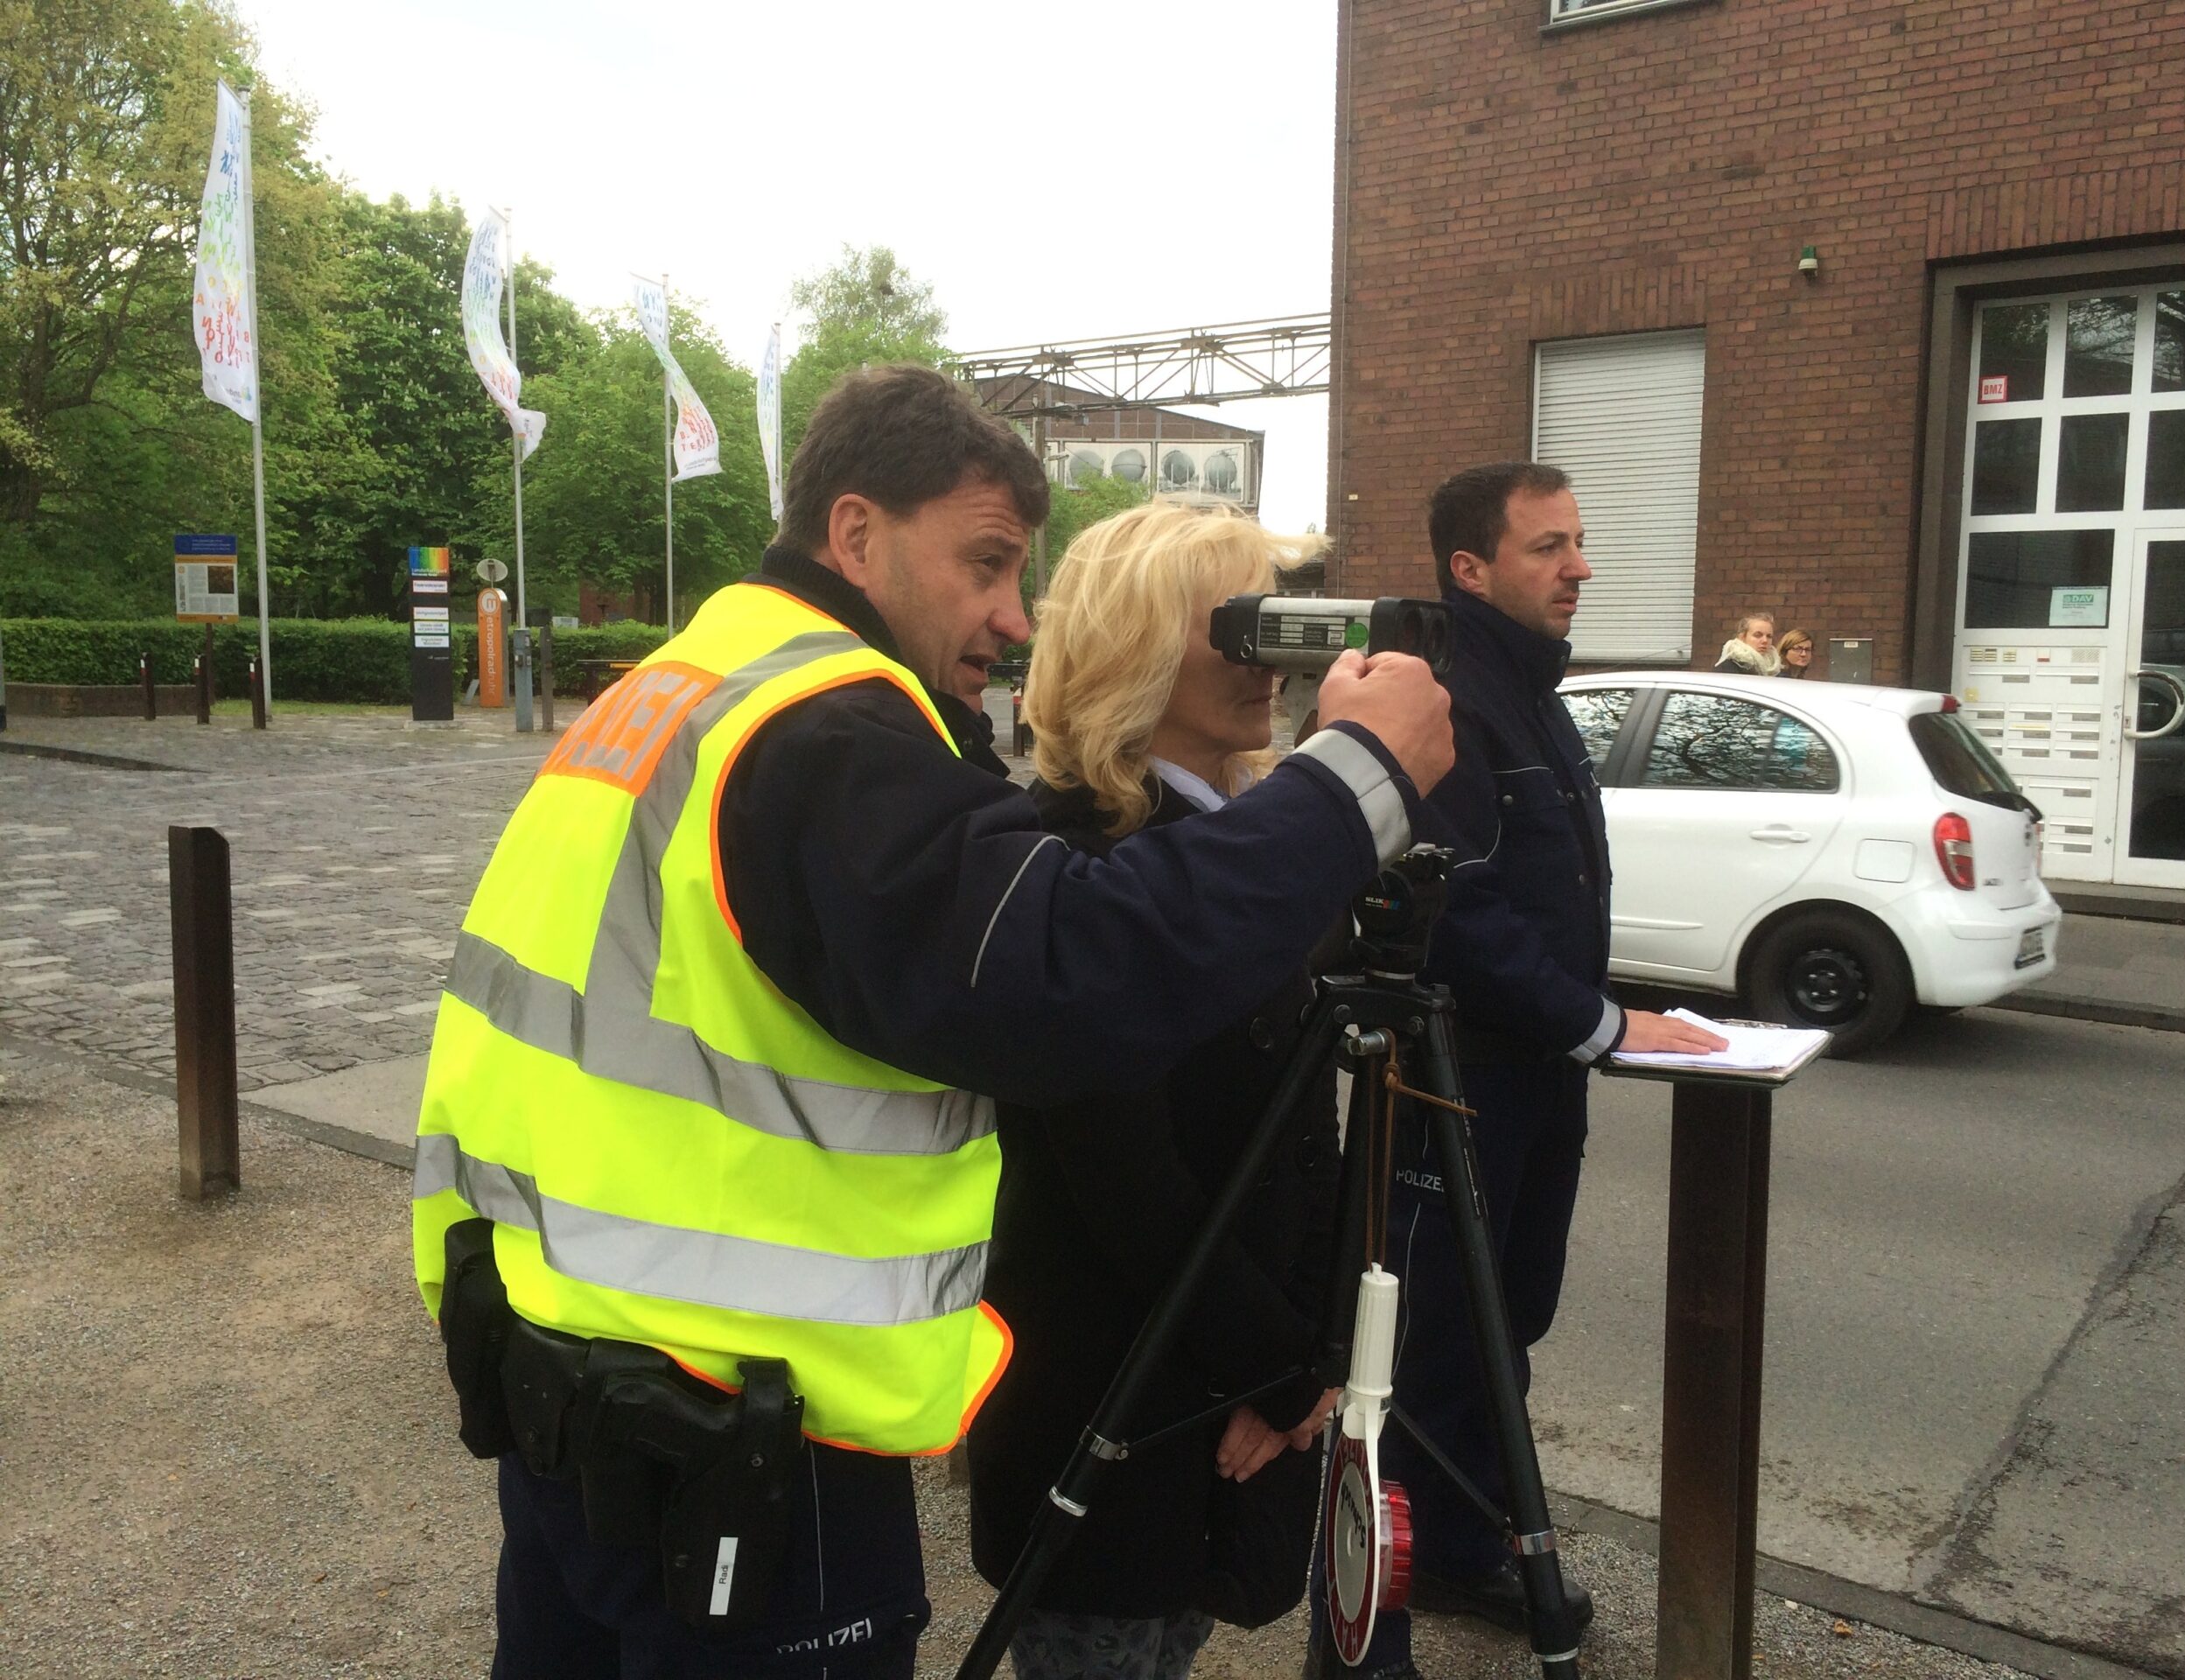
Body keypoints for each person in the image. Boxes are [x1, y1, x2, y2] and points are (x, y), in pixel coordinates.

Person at [410, 364, 1454, 1680]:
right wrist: (1350, 784)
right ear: (857, 533)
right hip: (736, 1433)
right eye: (986, 565)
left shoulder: (673, 692)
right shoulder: (821, 732)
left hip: (570, 1381)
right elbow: (1060, 978)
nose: (1015, 617)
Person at [1315, 463, 1725, 1680]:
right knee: (1443, 1324)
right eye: (1551, 546)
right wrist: (1594, 1021)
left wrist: (1594, 1021)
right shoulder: (1445, 697)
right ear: (1471, 568)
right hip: (1457, 1078)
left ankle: (1457, 1528)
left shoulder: (1535, 690)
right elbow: (1458, 911)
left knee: (1517, 1309)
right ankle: (1420, 1553)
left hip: (1537, 1069)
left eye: (1581, 543)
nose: (1581, 567)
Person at [970, 501, 1347, 1680]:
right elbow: (1123, 1183)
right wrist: (1280, 1372)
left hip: (1220, 1394)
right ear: (1136, 645)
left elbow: (1309, 1142)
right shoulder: (1071, 860)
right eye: (1237, 625)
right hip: (1107, 1408)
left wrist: (1302, 1364)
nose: (1268, 658)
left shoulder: (1241, 844)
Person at [1713, 611, 1781, 675]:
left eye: (1769, 636)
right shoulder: (1729, 667)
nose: (1765, 641)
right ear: (1742, 637)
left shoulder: (1776, 668)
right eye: (1758, 635)